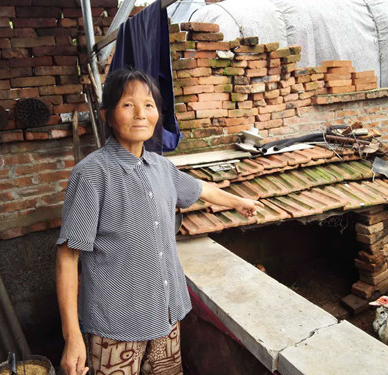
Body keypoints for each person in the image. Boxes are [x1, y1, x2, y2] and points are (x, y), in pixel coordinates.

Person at [56, 67, 263, 375]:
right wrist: (72, 336)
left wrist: (239, 202)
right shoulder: (91, 175)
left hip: (166, 316)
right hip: (116, 327)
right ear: (107, 115)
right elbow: (67, 258)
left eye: (149, 104)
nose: (141, 113)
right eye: (128, 104)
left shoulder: (160, 167)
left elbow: (200, 188)